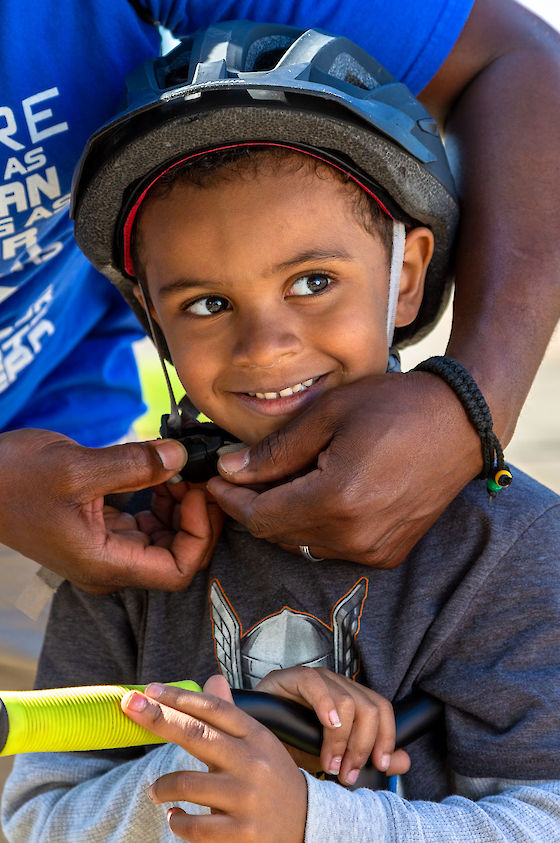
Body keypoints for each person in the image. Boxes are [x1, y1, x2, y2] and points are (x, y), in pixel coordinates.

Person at [3, 25, 560, 842]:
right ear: (151, 317)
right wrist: (200, 766)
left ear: (405, 278)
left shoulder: (505, 547)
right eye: (207, 303)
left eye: (312, 281)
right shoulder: (126, 547)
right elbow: (33, 817)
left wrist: (315, 819)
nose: (266, 345)